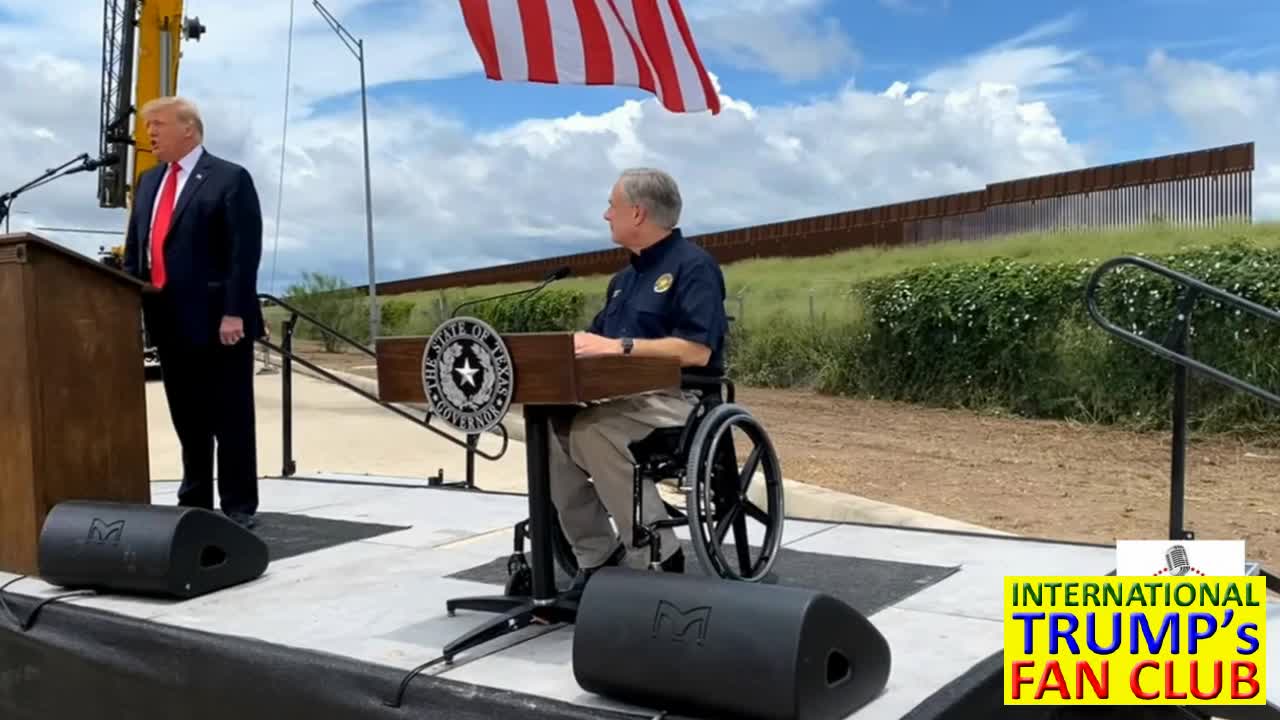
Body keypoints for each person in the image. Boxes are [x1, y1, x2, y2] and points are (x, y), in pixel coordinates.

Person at [549, 167, 729, 591]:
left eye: (612, 206)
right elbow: (595, 342)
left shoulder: (695, 267)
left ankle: (658, 555)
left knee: (593, 432)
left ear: (637, 213)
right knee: (547, 434)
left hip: (678, 398)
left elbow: (698, 351)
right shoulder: (622, 281)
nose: (605, 215)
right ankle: (597, 557)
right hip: (613, 397)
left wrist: (621, 347)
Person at [122, 96, 265, 529]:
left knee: (230, 417)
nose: (150, 134)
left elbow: (244, 252)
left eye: (158, 125)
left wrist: (235, 312)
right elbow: (136, 250)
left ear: (189, 128)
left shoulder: (229, 178)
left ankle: (239, 506)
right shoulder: (148, 183)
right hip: (168, 320)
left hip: (220, 322)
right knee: (188, 418)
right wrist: (127, 300)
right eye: (149, 127)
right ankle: (195, 499)